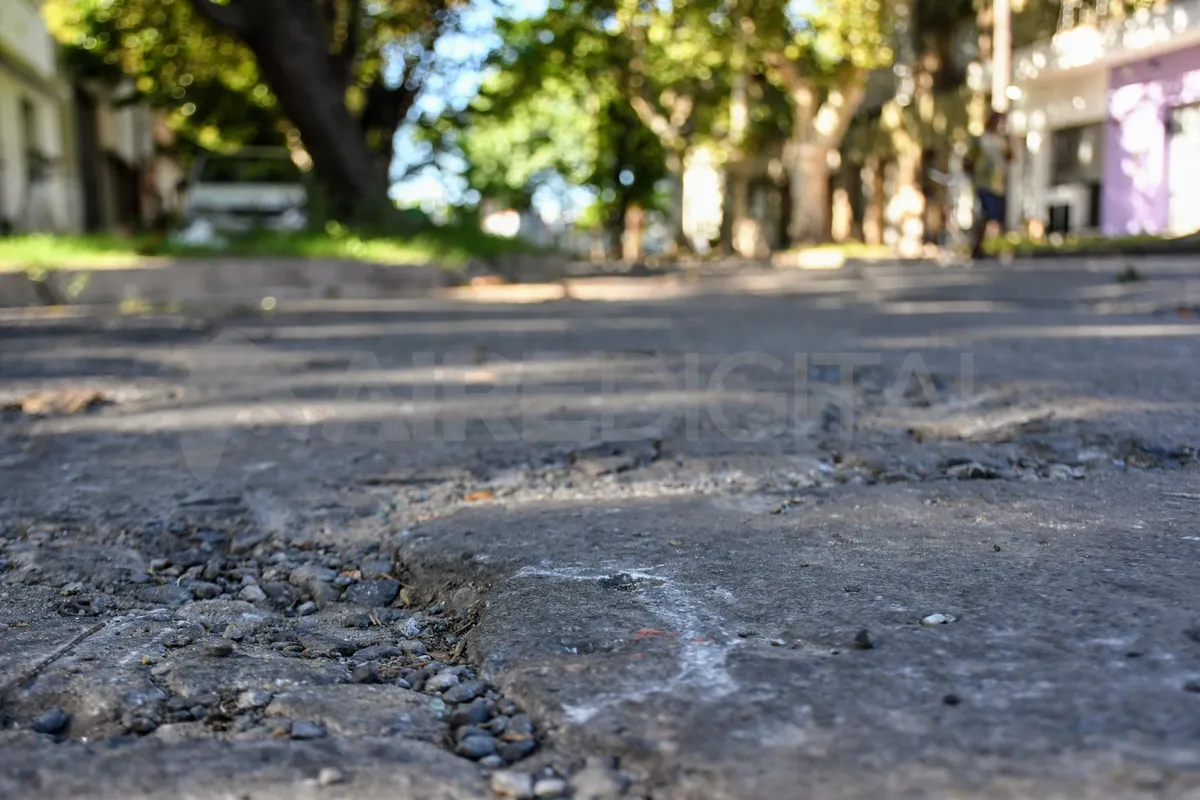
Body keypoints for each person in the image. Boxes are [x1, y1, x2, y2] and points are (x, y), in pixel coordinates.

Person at [966, 111, 1011, 260]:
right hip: (983, 182)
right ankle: (978, 247)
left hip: (998, 183)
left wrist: (1010, 141)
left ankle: (995, 246)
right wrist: (970, 173)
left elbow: (1010, 158)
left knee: (997, 215)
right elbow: (970, 158)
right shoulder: (981, 139)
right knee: (985, 214)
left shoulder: (1002, 140)